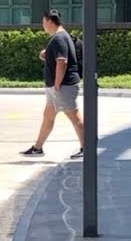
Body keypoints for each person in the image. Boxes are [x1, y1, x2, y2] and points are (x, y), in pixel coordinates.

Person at [20, 9, 86, 159]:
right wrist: (46, 55)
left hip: (63, 86)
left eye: (44, 22)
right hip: (58, 86)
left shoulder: (59, 38)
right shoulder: (62, 36)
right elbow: (59, 57)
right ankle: (37, 148)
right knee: (48, 116)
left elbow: (62, 62)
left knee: (74, 117)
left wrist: (57, 85)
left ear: (50, 22)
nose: (43, 26)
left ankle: (86, 148)